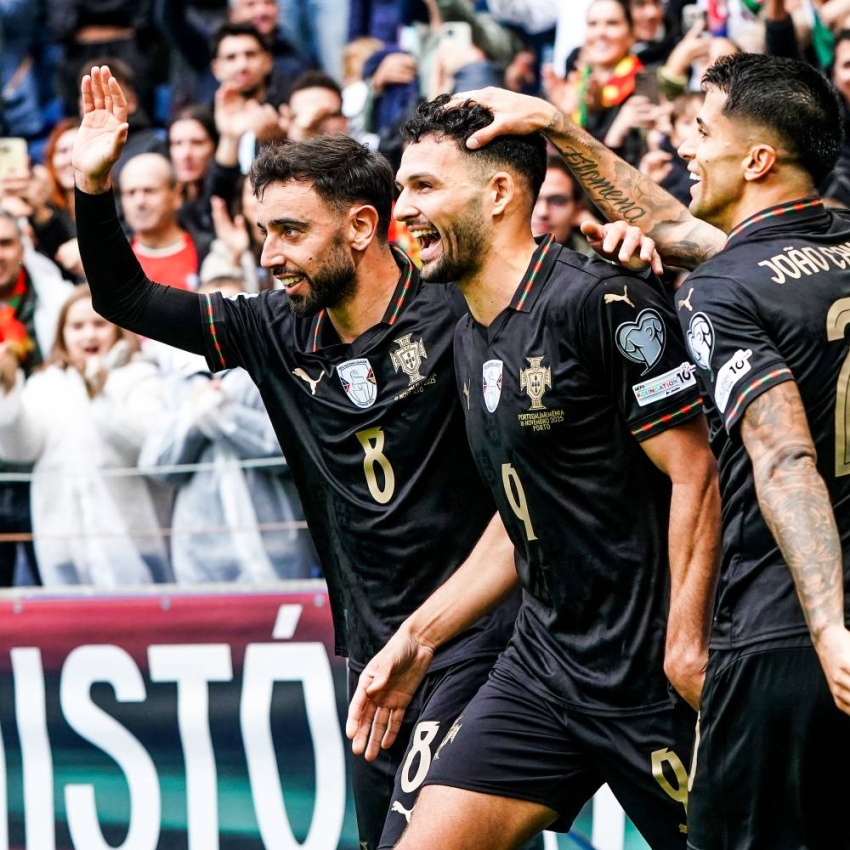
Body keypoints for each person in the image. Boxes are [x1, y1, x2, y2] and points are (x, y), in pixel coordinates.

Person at [71, 65, 520, 850]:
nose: (270, 255)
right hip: (371, 652)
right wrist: (91, 183)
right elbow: (125, 298)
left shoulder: (459, 309)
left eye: (290, 232)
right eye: (263, 233)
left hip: (479, 637)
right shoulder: (273, 329)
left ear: (361, 227)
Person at [454, 51, 850, 848]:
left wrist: (829, 626)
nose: (684, 146)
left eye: (702, 130)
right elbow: (674, 226)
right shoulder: (832, 242)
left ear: (758, 160)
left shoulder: (721, 286)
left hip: (785, 634)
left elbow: (783, 458)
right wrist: (559, 126)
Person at [349, 93, 720, 850]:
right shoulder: (467, 331)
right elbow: (524, 514)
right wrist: (417, 639)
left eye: (424, 186)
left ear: (499, 193)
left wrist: (686, 645)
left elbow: (699, 473)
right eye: (401, 190)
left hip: (648, 674)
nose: (403, 210)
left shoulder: (600, 299)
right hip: (543, 669)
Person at [0, 285, 169, 586]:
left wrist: (101, 397)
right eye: (77, 326)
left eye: (99, 324)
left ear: (118, 329)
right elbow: (22, 450)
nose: (89, 335)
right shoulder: (45, 383)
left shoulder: (140, 376)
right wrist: (8, 390)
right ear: (62, 333)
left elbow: (149, 444)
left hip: (132, 541)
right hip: (63, 543)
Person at [119, 152, 206, 291]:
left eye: (149, 191)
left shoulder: (208, 252)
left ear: (177, 195)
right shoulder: (111, 259)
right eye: (130, 193)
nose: (139, 202)